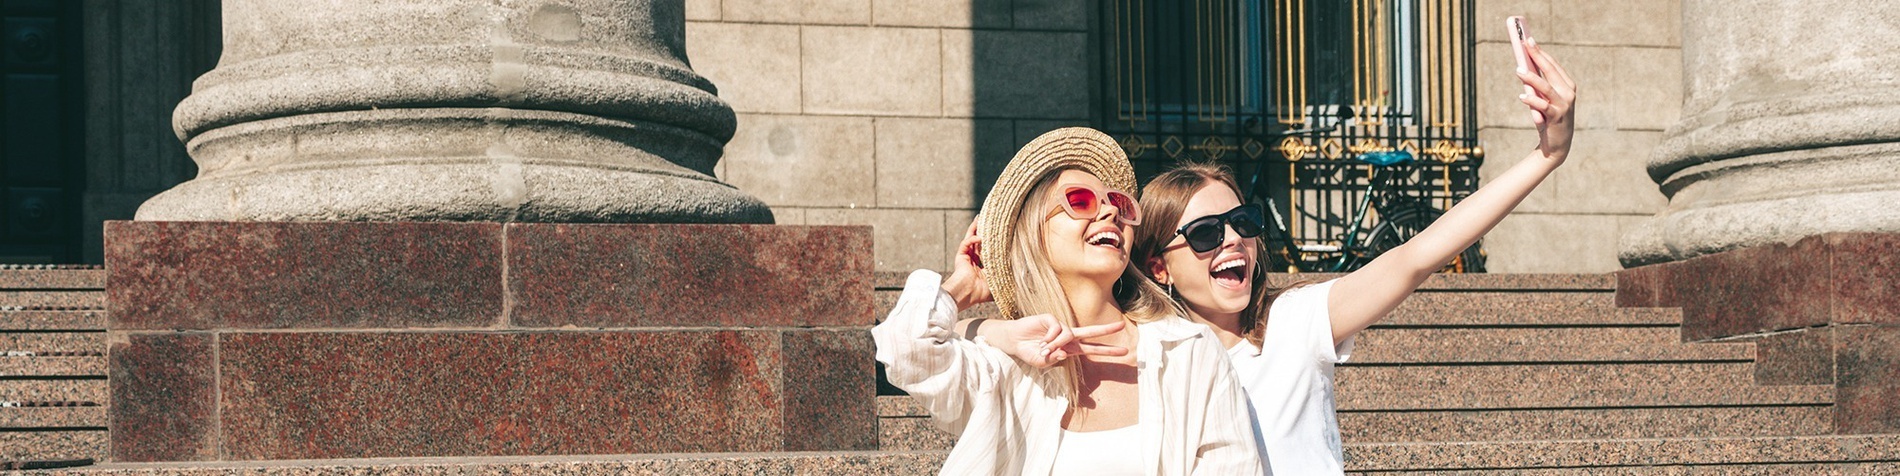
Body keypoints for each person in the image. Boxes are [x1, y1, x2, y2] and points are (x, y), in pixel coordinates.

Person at [1124, 36, 1578, 474]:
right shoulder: (1146, 358)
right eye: (1205, 233)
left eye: (1243, 221)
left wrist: (1546, 156)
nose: (1231, 239)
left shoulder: (1291, 323)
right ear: (1158, 267)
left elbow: (1414, 257)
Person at [874, 127, 1263, 475]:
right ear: (1034, 234)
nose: (1110, 211)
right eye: (1081, 201)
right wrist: (962, 287)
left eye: (1118, 204)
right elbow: (906, 351)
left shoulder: (1187, 353)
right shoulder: (1002, 368)